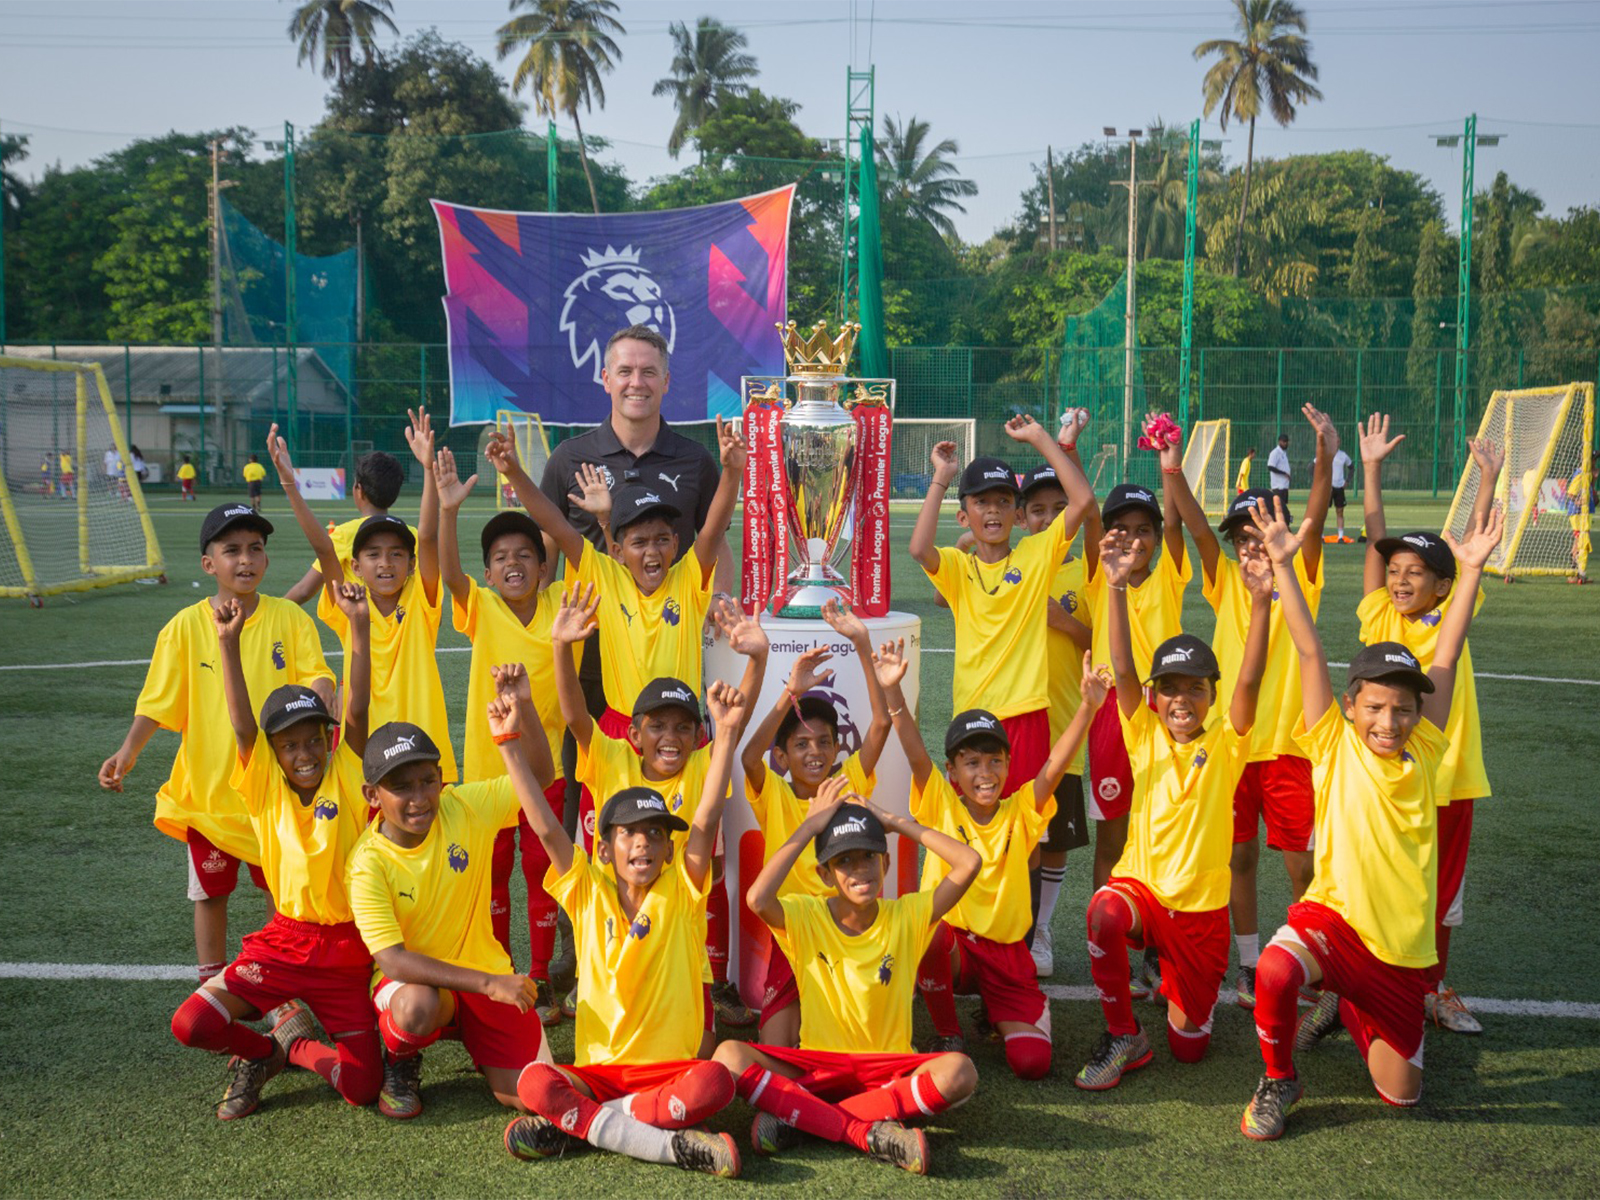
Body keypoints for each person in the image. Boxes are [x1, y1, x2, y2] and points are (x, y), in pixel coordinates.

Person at [1239, 498, 1503, 1140]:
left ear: (1421, 713)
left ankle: (1351, 1002)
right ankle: (1279, 1078)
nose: (1390, 722)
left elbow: (1445, 654)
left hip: (1399, 955)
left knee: (1401, 1096)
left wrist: (1468, 570)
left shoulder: (1429, 748)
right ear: (1352, 705)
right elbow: (1307, 651)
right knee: (1275, 968)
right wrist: (1283, 564)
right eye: (1376, 707)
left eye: (1404, 709)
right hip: (1334, 921)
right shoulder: (1330, 742)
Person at [496, 415, 750, 1025]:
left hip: (683, 736)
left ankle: (702, 975)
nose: (654, 550)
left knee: (695, 856)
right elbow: (555, 521)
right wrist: (512, 472)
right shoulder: (603, 577)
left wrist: (734, 470)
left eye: (664, 538)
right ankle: (597, 968)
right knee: (609, 857)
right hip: (614, 734)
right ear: (617, 548)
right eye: (639, 540)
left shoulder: (691, 580)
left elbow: (713, 527)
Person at [532, 324, 735, 1002]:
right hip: (596, 692)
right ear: (606, 377)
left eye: (648, 370)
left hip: (674, 706)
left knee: (692, 836)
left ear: (665, 379)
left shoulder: (695, 461)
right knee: (590, 828)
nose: (636, 381)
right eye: (625, 370)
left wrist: (728, 617)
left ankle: (699, 968)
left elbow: (710, 540)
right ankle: (584, 949)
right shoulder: (570, 459)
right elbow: (556, 541)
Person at [498, 682, 750, 1179]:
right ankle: (669, 1145)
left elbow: (705, 816)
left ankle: (586, 1128)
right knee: (533, 1083)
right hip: (601, 1074)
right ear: (605, 845)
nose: (643, 843)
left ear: (669, 847)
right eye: (629, 833)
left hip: (668, 1073)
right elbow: (548, 827)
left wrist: (725, 736)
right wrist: (509, 746)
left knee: (716, 1082)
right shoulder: (587, 890)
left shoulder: (682, 889)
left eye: (655, 833)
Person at [170, 581, 382, 1120]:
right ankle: (264, 1053)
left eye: (314, 739)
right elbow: (242, 724)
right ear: (274, 753)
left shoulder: (349, 772)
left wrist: (358, 627)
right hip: (284, 942)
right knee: (192, 1025)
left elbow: (356, 707)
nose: (305, 752)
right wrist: (227, 642)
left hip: (345, 951)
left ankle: (298, 1049)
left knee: (361, 1088)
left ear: (329, 740)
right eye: (290, 745)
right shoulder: (263, 784)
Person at [99, 503, 335, 981]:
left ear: (267, 560)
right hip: (207, 794)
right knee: (210, 893)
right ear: (209, 564)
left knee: (283, 891)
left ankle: (284, 978)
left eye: (256, 549)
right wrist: (128, 752)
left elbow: (318, 676)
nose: (245, 560)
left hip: (273, 793)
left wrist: (322, 702)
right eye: (232, 550)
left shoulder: (288, 618)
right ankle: (211, 984)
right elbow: (158, 700)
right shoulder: (185, 627)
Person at [1076, 525, 1270, 1090]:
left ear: (1212, 694)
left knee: (1190, 1049)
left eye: (1195, 689)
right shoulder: (1142, 732)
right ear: (1156, 698)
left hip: (1202, 914)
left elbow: (1251, 677)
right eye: (1171, 689)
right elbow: (1124, 665)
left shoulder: (1229, 742)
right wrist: (1113, 587)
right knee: (1102, 912)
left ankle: (1181, 992)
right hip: (1144, 890)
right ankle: (1124, 1035)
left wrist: (1260, 604)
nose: (1180, 700)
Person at [712, 776, 982, 1175]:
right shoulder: (807, 915)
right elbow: (757, 898)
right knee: (728, 1056)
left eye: (869, 856)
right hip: (817, 1070)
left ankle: (804, 1119)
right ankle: (870, 1131)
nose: (859, 869)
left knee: (961, 1071)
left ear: (885, 862)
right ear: (825, 874)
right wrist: (810, 825)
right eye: (844, 861)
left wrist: (893, 821)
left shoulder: (906, 916)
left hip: (887, 1071)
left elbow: (969, 862)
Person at [1166, 405, 1334, 1009]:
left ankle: (1310, 958)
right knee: (1235, 857)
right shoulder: (1223, 583)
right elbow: (1196, 530)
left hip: (1291, 747)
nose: (1249, 550)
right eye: (1242, 540)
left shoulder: (1300, 576)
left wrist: (1325, 454)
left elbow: (1314, 515)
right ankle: (1247, 963)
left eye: (1261, 537)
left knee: (1301, 865)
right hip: (1231, 746)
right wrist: (1171, 470)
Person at [552, 583, 768, 1040]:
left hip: (678, 936)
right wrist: (561, 648)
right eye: (658, 726)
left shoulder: (701, 766)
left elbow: (736, 722)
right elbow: (574, 716)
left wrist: (759, 660)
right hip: (612, 928)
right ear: (634, 733)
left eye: (683, 727)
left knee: (699, 1052)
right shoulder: (612, 759)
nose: (670, 737)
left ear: (696, 736)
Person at [434, 446, 603, 1024]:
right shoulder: (479, 606)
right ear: (489, 573)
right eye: (502, 557)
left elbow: (584, 556)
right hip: (487, 776)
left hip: (545, 771)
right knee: (493, 879)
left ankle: (538, 981)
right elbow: (448, 573)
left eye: (526, 555)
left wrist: (594, 519)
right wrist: (450, 509)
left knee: (543, 874)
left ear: (543, 567)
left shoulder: (562, 603)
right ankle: (504, 973)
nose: (514, 564)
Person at [882, 636, 1103, 1077]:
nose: (985, 773)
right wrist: (893, 692)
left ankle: (998, 1008)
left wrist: (1088, 707)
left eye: (995, 761)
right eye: (971, 762)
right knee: (929, 932)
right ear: (953, 772)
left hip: (1007, 956)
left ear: (1008, 764)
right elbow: (913, 750)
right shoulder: (939, 802)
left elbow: (1055, 765)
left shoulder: (1021, 809)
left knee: (1032, 1064)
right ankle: (949, 1032)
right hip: (958, 947)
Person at [346, 671, 559, 1123]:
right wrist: (489, 983)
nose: (420, 798)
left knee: (535, 1095)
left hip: (485, 975)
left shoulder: (463, 805)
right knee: (417, 1007)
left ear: (442, 778)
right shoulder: (367, 863)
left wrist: (524, 711)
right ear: (372, 794)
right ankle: (400, 1062)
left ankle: (485, 1047)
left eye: (427, 781)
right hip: (419, 988)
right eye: (401, 787)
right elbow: (394, 962)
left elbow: (539, 777)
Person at [1357, 416, 1502, 1036]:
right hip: (1386, 775)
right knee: (1378, 880)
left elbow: (1470, 552)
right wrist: (1370, 471)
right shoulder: (1376, 615)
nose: (1400, 579)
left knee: (1440, 896)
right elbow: (1374, 539)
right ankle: (1364, 983)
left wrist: (1488, 480)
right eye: (1395, 571)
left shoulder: (1448, 623)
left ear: (1444, 586)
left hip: (1448, 777)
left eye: (1416, 572)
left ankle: (1434, 988)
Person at [908, 414, 1093, 799]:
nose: (993, 511)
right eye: (981, 502)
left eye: (1004, 501)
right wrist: (942, 476)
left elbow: (1083, 501)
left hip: (1027, 714)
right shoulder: (959, 566)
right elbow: (919, 549)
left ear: (1018, 515)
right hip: (973, 713)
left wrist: (1041, 438)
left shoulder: (1036, 554)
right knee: (974, 822)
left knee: (1026, 826)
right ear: (964, 516)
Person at [269, 414, 459, 783]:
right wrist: (289, 482)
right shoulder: (349, 606)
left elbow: (430, 538)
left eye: (396, 554)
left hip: (423, 738)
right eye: (373, 555)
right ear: (355, 564)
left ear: (412, 562)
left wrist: (428, 470)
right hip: (364, 739)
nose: (385, 563)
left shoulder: (423, 599)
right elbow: (324, 549)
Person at [737, 599, 893, 1046]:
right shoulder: (776, 795)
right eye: (802, 744)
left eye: (824, 742)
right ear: (782, 758)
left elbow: (881, 723)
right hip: (795, 932)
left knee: (842, 1038)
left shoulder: (845, 784)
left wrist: (862, 644)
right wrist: (790, 691)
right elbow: (749, 755)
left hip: (845, 928)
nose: (815, 752)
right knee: (776, 1048)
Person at [1080, 431, 1193, 998]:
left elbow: (1176, 527)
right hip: (1109, 715)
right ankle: (1114, 945)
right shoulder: (1099, 571)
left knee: (1164, 832)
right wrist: (1073, 448)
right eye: (1118, 528)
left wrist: (1169, 470)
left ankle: (1155, 946)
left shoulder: (1171, 573)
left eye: (1141, 529)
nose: (1130, 538)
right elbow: (1084, 516)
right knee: (1113, 836)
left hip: (1164, 713)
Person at [1012, 451, 1095, 981]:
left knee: (1057, 838)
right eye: (1037, 510)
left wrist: (1064, 622)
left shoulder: (1083, 570)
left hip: (1065, 724)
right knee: (1019, 833)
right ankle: (1012, 926)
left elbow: (1099, 643)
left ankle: (1041, 929)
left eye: (1056, 508)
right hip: (1017, 724)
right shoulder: (1011, 563)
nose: (1046, 518)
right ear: (1021, 517)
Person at [284, 449, 408, 604]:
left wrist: (273, 615)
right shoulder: (410, 534)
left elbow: (304, 590)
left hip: (355, 624)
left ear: (359, 490)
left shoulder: (344, 534)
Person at [1326, 442, 1355, 543]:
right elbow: (1312, 466)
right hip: (1328, 487)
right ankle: (1320, 536)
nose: (1336, 443)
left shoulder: (1343, 455)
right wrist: (1321, 482)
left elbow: (1352, 467)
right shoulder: (1325, 453)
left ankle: (1340, 537)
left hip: (1339, 487)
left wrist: (1347, 481)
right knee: (1323, 512)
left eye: (1338, 441)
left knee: (1340, 511)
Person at [1267, 434, 1292, 507]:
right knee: (1278, 507)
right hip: (1278, 486)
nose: (1285, 443)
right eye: (1284, 441)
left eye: (1287, 441)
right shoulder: (1275, 453)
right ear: (1279, 442)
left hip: (1284, 485)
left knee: (1284, 507)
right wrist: (1284, 473)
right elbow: (1270, 467)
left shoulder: (1284, 453)